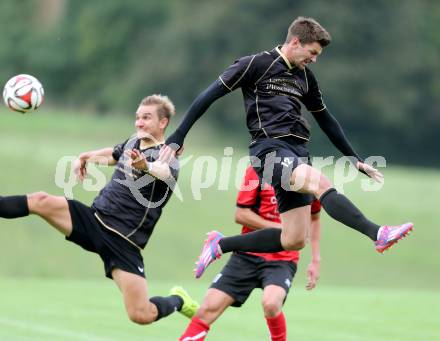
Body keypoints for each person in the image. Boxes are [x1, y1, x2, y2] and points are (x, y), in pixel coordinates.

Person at [163, 16, 413, 278]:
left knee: (295, 239)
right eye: (312, 52)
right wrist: (179, 134)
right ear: (295, 42)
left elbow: (326, 119)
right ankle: (378, 233)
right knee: (320, 183)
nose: (314, 59)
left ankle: (220, 244)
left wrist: (354, 158)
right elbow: (208, 95)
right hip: (268, 151)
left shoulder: (306, 77)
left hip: (296, 154)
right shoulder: (255, 64)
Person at [0, 95, 199, 325]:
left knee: (141, 315)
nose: (139, 123)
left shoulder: (168, 155)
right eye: (137, 117)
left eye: (146, 118)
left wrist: (146, 166)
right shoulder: (134, 142)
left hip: (124, 242)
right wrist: (86, 156)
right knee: (40, 201)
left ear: (163, 123)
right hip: (94, 220)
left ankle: (178, 300)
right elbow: (115, 154)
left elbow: (163, 172)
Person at [179, 165, 321, 341]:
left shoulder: (307, 175)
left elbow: (314, 218)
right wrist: (282, 231)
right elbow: (241, 214)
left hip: (282, 259)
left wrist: (315, 259)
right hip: (247, 254)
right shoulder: (258, 169)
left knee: (271, 303)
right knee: (207, 309)